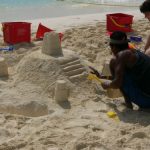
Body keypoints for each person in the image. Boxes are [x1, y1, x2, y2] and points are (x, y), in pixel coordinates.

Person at [90, 31, 150, 109]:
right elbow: (120, 76)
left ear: (113, 47)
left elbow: (117, 83)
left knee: (115, 69)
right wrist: (101, 76)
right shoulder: (135, 52)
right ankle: (129, 104)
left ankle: (129, 106)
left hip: (147, 101)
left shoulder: (118, 58)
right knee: (122, 74)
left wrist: (107, 85)